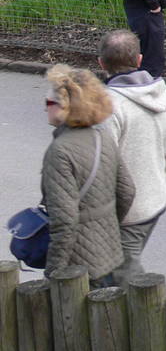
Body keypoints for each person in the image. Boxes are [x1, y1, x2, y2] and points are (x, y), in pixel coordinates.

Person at [40, 65, 133, 285]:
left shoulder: (60, 151)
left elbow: (64, 221)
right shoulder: (103, 137)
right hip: (110, 255)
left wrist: (53, 273)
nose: (45, 108)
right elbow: (127, 191)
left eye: (49, 103)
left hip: (79, 270)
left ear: (64, 107)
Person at [101, 29, 166, 283]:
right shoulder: (161, 93)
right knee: (113, 268)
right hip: (154, 198)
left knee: (123, 273)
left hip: (126, 211)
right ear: (140, 59)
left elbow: (102, 166)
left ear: (101, 63)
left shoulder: (108, 106)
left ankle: (148, 312)